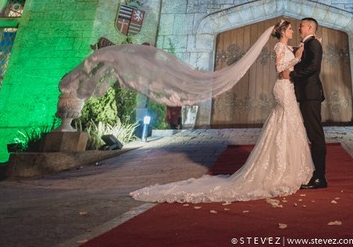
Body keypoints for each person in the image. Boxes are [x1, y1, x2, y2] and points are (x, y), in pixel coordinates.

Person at [129, 19, 313, 203]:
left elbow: (293, 55)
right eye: (289, 29)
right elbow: (281, 69)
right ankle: (279, 169)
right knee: (285, 122)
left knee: (286, 123)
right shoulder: (280, 47)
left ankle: (288, 166)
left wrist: (299, 49)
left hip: (288, 88)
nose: (292, 31)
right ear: (282, 32)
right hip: (283, 87)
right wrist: (298, 57)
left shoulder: (287, 47)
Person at [291, 17, 327, 189]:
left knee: (316, 135)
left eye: (302, 26)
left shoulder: (313, 44)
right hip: (306, 94)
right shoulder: (307, 45)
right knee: (312, 134)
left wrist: (292, 75)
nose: (299, 28)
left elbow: (313, 67)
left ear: (311, 28)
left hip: (311, 94)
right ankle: (315, 173)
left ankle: (320, 177)